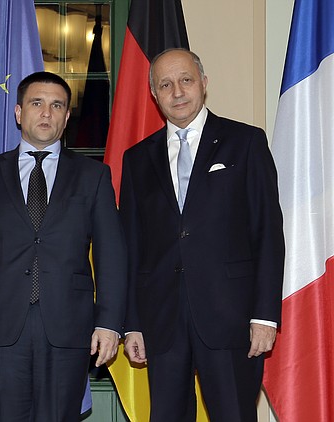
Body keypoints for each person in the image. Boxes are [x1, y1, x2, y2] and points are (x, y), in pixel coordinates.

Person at [0, 71, 127, 421]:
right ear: (19, 113)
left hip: (68, 328)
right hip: (0, 327)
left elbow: (112, 257)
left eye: (56, 105)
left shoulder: (94, 177)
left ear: (66, 117)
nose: (46, 113)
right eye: (37, 103)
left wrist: (109, 323)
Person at [119, 48, 285, 421]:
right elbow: (131, 246)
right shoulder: (137, 159)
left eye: (186, 80)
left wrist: (265, 315)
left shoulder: (246, 142)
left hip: (231, 317)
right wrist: (131, 324)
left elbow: (268, 233)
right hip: (160, 321)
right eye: (165, 84)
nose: (177, 91)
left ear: (203, 84)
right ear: (154, 95)